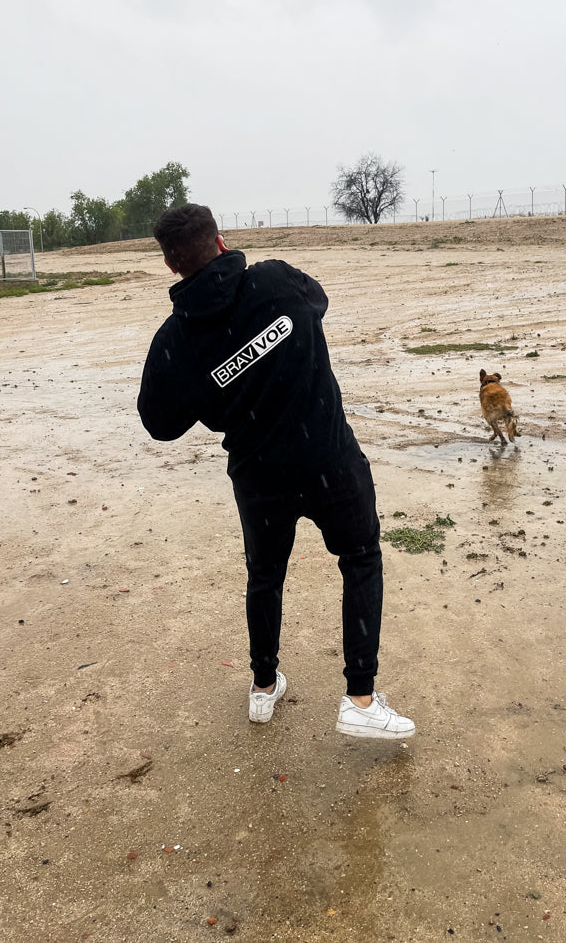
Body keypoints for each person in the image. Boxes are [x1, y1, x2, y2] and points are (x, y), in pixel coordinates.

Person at [137, 204, 414, 739]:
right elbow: (160, 423)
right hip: (329, 460)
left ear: (172, 266)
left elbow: (160, 423)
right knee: (359, 560)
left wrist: (214, 379)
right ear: (220, 242)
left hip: (261, 475)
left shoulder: (177, 338)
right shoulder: (273, 281)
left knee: (266, 575)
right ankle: (356, 697)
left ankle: (264, 686)